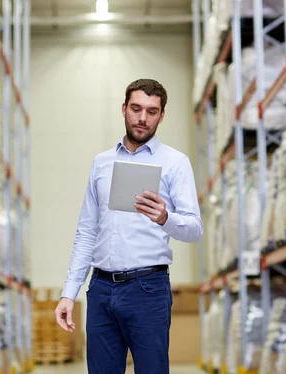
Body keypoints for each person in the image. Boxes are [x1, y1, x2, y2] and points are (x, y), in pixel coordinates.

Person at [54, 79, 203, 373]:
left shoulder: (175, 163)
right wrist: (69, 292)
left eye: (151, 111)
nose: (142, 118)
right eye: (136, 109)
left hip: (147, 289)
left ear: (161, 116)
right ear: (124, 109)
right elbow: (86, 231)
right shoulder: (101, 163)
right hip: (100, 289)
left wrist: (165, 218)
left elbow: (195, 228)